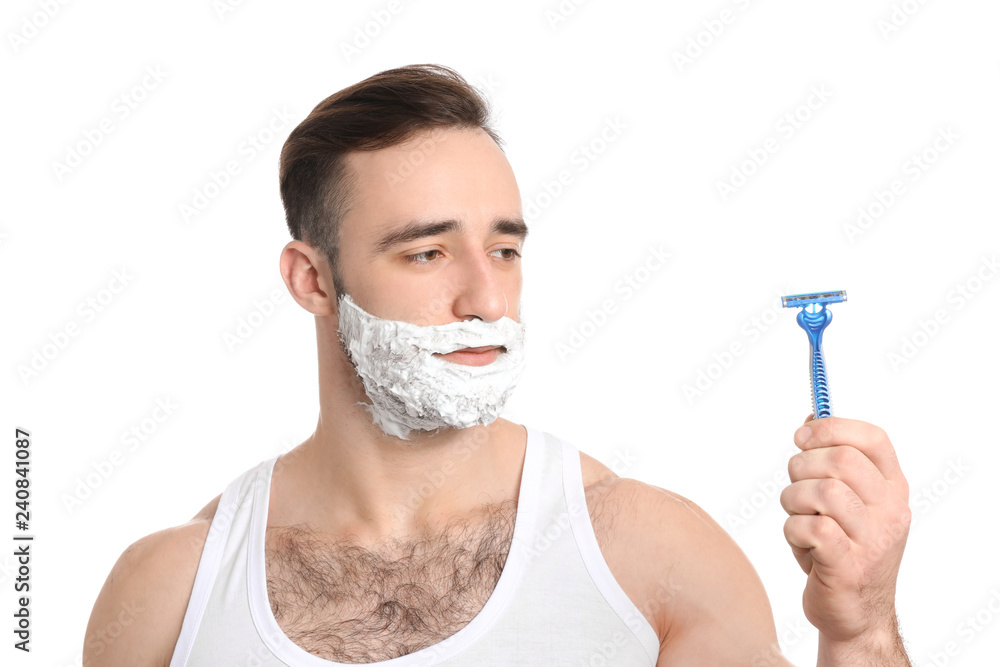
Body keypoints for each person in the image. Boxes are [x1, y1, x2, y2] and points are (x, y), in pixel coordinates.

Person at [83, 63, 913, 666]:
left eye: (506, 248)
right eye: (427, 253)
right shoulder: (171, 595)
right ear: (313, 280)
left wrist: (862, 628)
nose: (486, 297)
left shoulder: (647, 557)